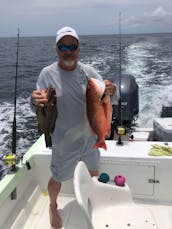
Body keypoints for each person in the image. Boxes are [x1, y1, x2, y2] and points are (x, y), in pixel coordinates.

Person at [31, 26, 118, 228]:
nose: (67, 50)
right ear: (56, 49)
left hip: (91, 138)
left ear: (79, 48)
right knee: (57, 178)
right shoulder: (47, 74)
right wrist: (35, 101)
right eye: (62, 46)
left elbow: (108, 97)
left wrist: (112, 90)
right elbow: (37, 103)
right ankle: (52, 206)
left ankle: (90, 204)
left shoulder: (89, 73)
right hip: (63, 140)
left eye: (72, 46)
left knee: (93, 175)